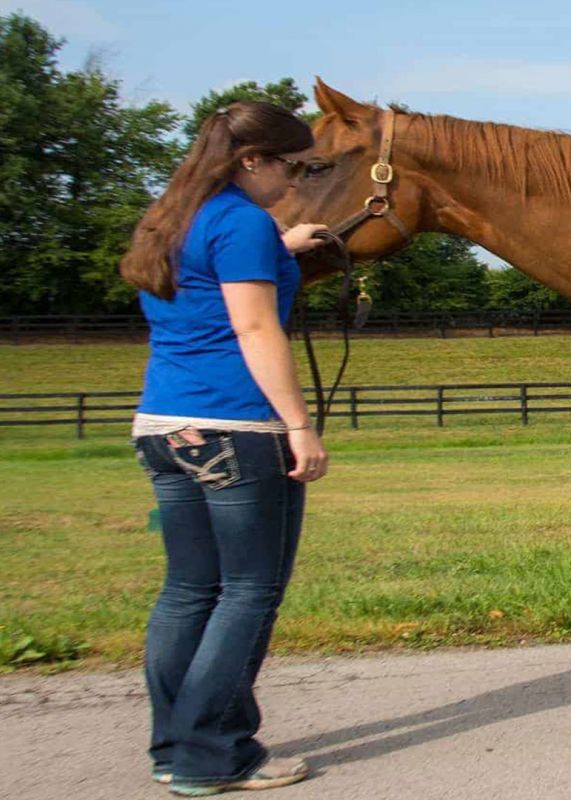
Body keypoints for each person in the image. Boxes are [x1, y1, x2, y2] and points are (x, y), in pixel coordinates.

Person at [119, 101, 330, 795]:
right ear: (252, 161)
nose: (294, 179)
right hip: (235, 429)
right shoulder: (241, 220)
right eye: (290, 165)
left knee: (188, 591)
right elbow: (253, 329)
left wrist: (285, 247)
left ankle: (173, 745)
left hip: (163, 425)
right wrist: (299, 425)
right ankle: (214, 755)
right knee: (248, 592)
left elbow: (209, 286)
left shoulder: (174, 216)